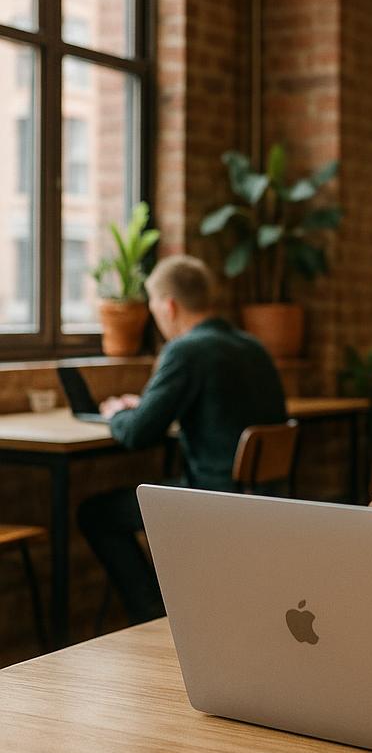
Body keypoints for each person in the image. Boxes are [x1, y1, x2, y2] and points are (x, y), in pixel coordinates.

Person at [78, 254, 287, 623]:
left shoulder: (187, 350)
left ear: (169, 306)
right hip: (266, 499)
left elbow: (137, 433)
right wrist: (146, 407)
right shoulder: (253, 347)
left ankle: (154, 616)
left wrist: (118, 414)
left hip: (212, 501)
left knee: (95, 514)